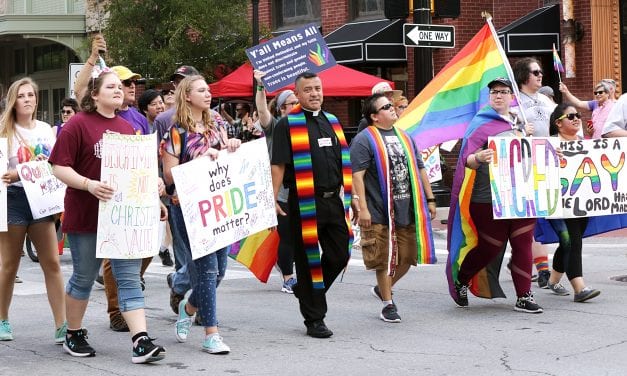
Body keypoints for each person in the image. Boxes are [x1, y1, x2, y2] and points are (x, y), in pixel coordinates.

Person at [49, 71, 166, 363]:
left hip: (121, 218)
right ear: (95, 94)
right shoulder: (77, 124)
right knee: (84, 276)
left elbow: (138, 174)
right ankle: (73, 332)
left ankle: (141, 340)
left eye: (120, 87)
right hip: (85, 215)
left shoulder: (127, 129)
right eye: (110, 86)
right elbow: (58, 167)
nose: (118, 90)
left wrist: (154, 196)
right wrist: (89, 184)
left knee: (128, 278)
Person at [446, 78, 542, 314]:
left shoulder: (522, 122)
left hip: (521, 193)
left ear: (512, 96)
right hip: (487, 197)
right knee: (490, 247)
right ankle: (462, 279)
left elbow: (531, 155)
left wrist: (538, 143)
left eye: (503, 92)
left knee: (522, 244)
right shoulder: (480, 124)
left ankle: (524, 296)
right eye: (494, 92)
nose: (498, 96)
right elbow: (465, 161)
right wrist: (479, 158)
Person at [271, 72, 353, 338]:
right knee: (308, 261)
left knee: (340, 254)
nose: (314, 93)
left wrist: (357, 199)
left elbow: (344, 161)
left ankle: (306, 292)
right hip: (304, 200)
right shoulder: (288, 124)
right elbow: (278, 164)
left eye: (317, 88)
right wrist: (272, 197)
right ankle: (314, 319)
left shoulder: (333, 121)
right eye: (308, 90)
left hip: (333, 201)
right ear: (298, 94)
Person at [162, 75, 240, 354]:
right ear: (187, 96)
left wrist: (230, 146)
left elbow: (225, 153)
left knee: (219, 271)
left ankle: (189, 306)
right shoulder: (176, 131)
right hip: (187, 206)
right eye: (201, 90)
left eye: (208, 90)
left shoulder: (217, 123)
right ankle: (211, 334)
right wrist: (198, 159)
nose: (208, 94)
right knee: (206, 270)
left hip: (216, 204)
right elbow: (168, 174)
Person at [350, 93, 436, 323]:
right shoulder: (364, 140)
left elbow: (420, 169)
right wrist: (363, 208)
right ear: (375, 117)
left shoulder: (405, 137)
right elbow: (357, 176)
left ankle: (383, 288)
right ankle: (388, 303)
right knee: (384, 258)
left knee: (407, 258)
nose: (392, 109)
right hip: (379, 210)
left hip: (406, 207)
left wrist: (430, 199)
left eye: (392, 105)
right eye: (386, 106)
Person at [0, 78, 67, 342]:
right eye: (22, 96)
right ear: (13, 102)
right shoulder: (5, 132)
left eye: (31, 95)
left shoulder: (46, 130)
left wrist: (44, 163)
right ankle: (3, 318)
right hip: (15, 199)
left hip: (42, 200)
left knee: (51, 262)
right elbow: (5, 174)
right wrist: (19, 173)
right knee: (9, 264)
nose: (28, 99)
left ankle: (62, 324)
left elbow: (57, 163)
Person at [538, 103, 600, 302]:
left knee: (568, 242)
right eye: (570, 116)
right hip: (557, 203)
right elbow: (534, 169)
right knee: (573, 240)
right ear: (558, 123)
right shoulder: (548, 144)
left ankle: (554, 279)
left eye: (578, 115)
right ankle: (579, 287)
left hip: (582, 200)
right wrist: (546, 157)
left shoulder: (584, 142)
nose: (576, 119)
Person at [254, 70, 298, 293]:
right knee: (287, 235)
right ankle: (288, 277)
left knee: (301, 235)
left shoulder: (304, 124)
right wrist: (261, 86)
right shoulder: (275, 126)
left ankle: (292, 269)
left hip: (303, 190)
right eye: (292, 103)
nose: (297, 105)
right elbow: (262, 110)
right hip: (280, 192)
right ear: (282, 109)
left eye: (298, 101)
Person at [513, 57, 556, 288]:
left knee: (542, 216)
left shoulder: (546, 101)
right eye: (535, 72)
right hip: (523, 167)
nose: (540, 75)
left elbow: (561, 124)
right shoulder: (513, 102)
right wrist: (518, 129)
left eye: (541, 72)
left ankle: (541, 268)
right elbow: (500, 132)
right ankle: (539, 268)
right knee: (529, 219)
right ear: (523, 76)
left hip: (547, 164)